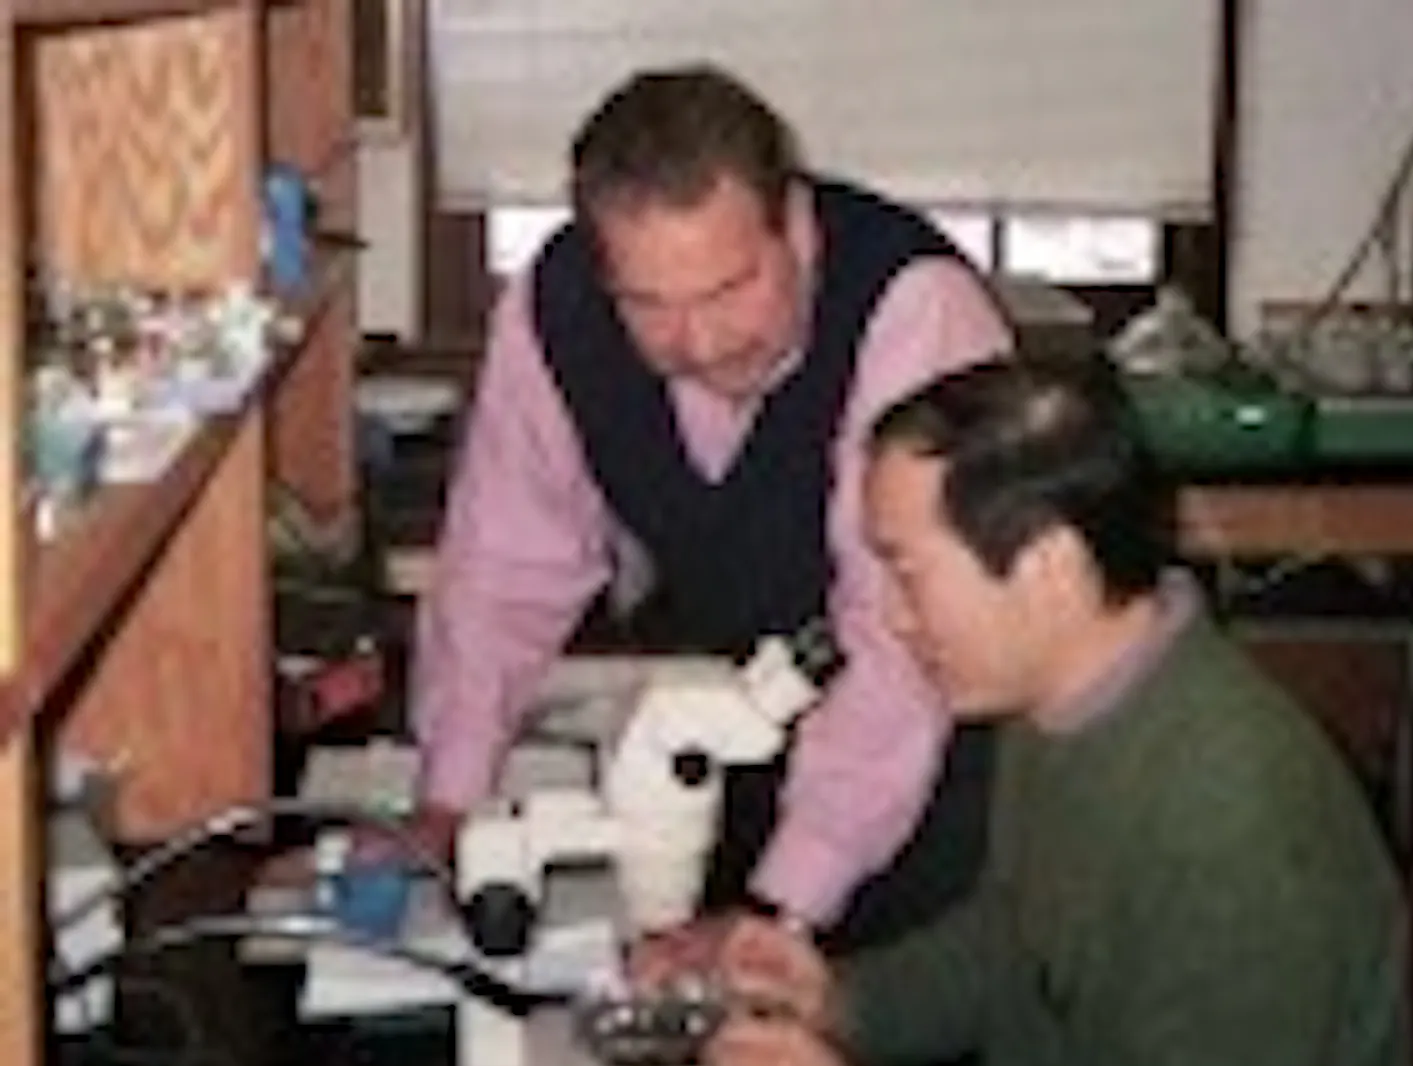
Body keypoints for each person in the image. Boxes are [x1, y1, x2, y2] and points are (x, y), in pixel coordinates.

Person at [704, 354, 1413, 1066]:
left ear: (1049, 568)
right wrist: (840, 1000)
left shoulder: (1235, 817)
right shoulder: (1064, 703)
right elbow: (1016, 945)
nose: (894, 619)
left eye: (910, 575)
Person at [411, 63, 1013, 949]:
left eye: (729, 290)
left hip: (934, 773)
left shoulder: (914, 312)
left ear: (791, 219)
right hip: (746, 751)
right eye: (648, 305)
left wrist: (782, 905)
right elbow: (504, 570)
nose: (696, 342)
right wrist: (448, 801)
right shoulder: (555, 306)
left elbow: (897, 641)